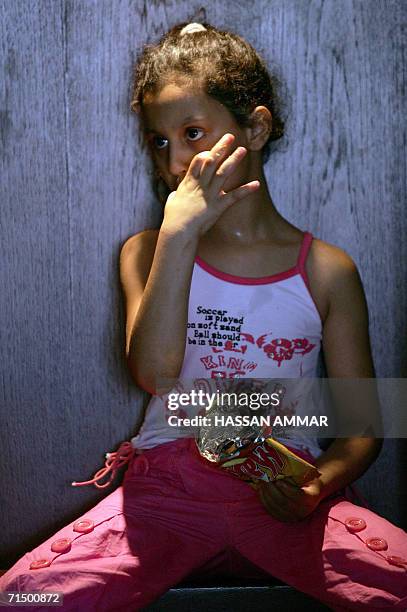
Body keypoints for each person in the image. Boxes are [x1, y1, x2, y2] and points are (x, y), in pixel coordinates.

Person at [1, 21, 406, 612]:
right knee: (25, 598)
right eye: (159, 142)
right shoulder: (146, 250)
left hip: (285, 491)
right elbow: (155, 374)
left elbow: (364, 428)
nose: (176, 160)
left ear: (256, 128)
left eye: (193, 132)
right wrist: (179, 232)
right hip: (166, 494)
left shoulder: (327, 270)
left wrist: (316, 485)